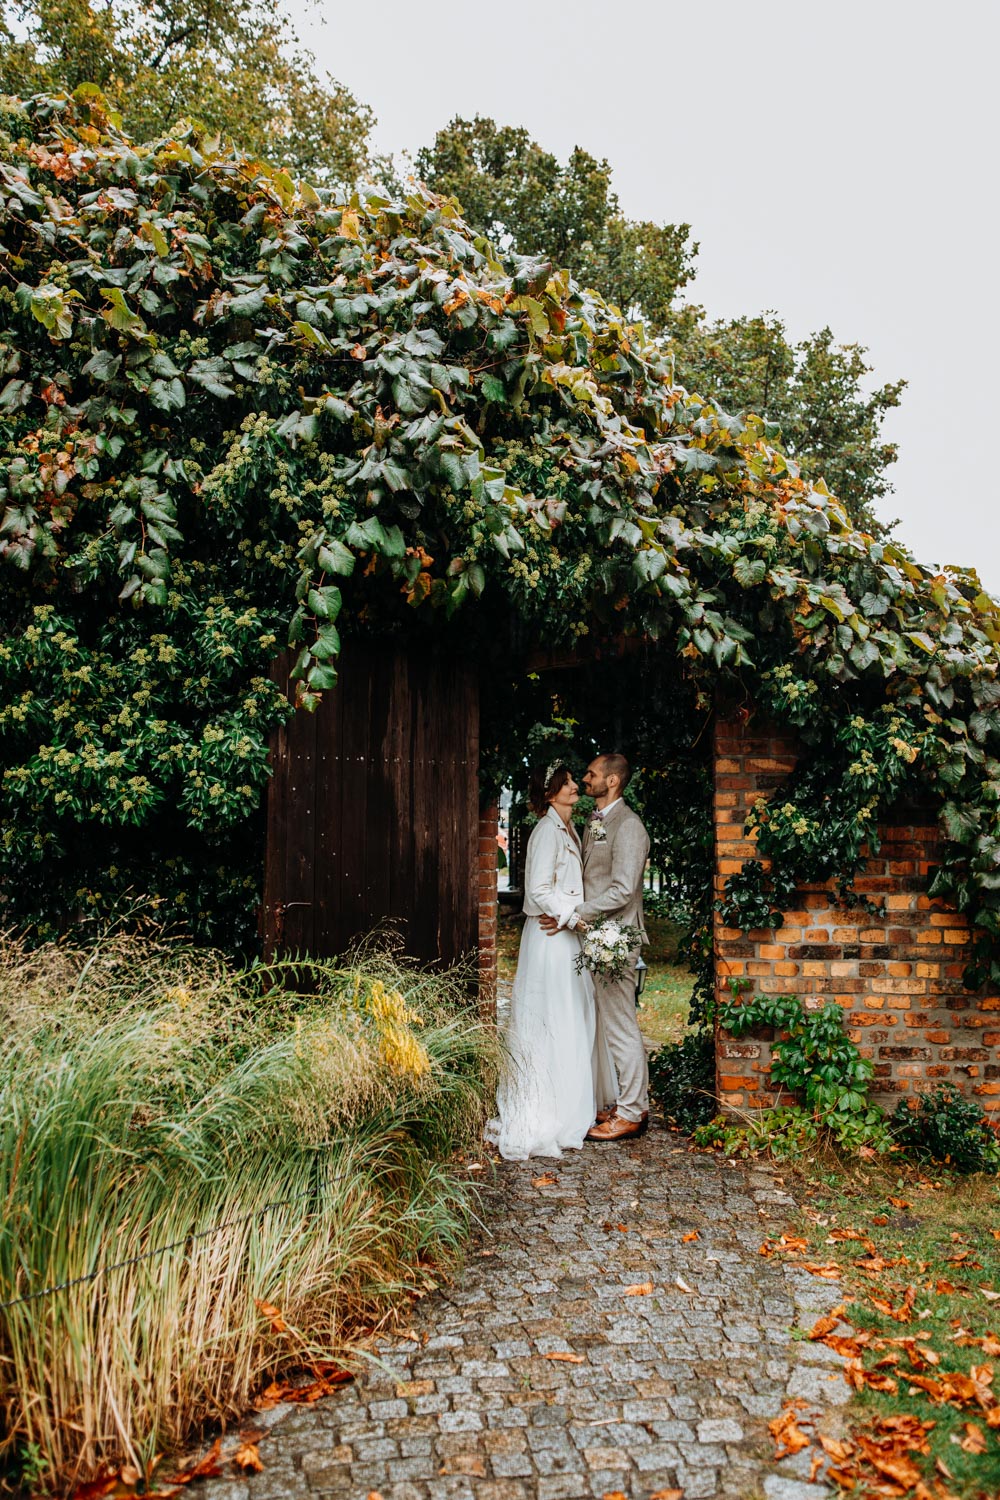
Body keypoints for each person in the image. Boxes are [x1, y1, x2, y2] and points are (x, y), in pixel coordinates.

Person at [486, 763, 616, 1160]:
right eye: (567, 783)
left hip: (565, 936)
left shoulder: (569, 826)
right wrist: (574, 918)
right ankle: (552, 1110)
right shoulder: (546, 831)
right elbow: (539, 889)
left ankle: (571, 1099)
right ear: (549, 793)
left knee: (573, 1012)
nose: (576, 786)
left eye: (575, 781)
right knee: (556, 1015)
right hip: (552, 937)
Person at [540, 752, 651, 1142]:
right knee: (606, 1024)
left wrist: (574, 911)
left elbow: (622, 889)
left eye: (591, 774)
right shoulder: (598, 821)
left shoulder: (630, 826)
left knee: (621, 1026)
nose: (586, 780)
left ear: (613, 782)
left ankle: (633, 1112)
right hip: (594, 935)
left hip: (616, 937)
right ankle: (621, 1103)